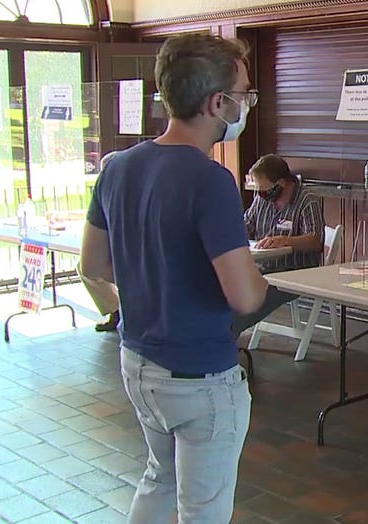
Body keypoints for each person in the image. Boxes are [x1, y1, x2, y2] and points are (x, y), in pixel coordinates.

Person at [80, 33, 272, 523]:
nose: (247, 103)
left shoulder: (117, 168)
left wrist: (151, 286)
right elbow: (245, 295)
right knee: (202, 509)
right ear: (217, 102)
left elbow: (93, 267)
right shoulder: (211, 181)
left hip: (138, 362)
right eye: (245, 94)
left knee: (157, 478)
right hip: (200, 376)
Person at [229, 153, 325, 338]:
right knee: (225, 288)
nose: (260, 193)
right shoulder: (262, 200)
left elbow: (315, 241)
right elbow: (245, 226)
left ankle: (226, 335)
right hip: (262, 266)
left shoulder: (306, 200)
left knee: (249, 298)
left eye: (264, 188)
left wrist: (285, 240)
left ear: (281, 183)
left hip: (293, 271)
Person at [77, 151, 121, 332]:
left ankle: (119, 308)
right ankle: (115, 308)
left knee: (88, 267)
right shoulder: (108, 190)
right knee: (85, 267)